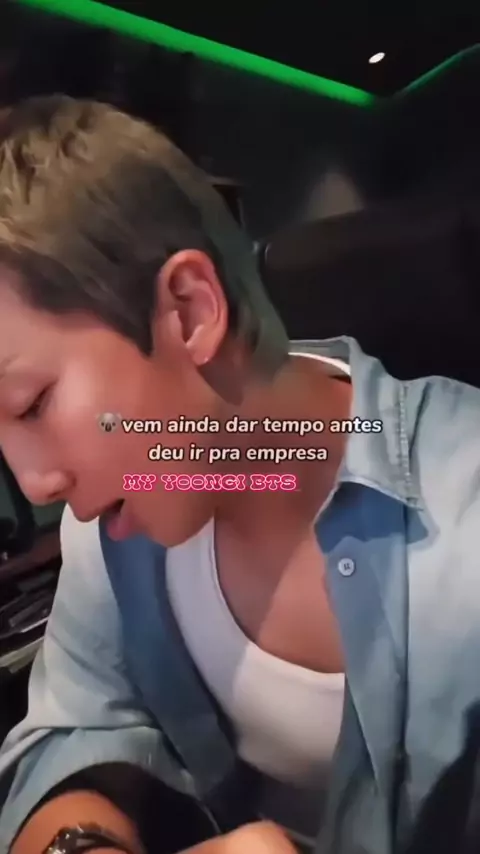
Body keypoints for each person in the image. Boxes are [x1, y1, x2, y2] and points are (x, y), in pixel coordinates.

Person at [0, 95, 479, 854]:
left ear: (190, 311)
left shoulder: (465, 509)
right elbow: (71, 732)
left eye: (32, 404)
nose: (35, 485)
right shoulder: (119, 521)